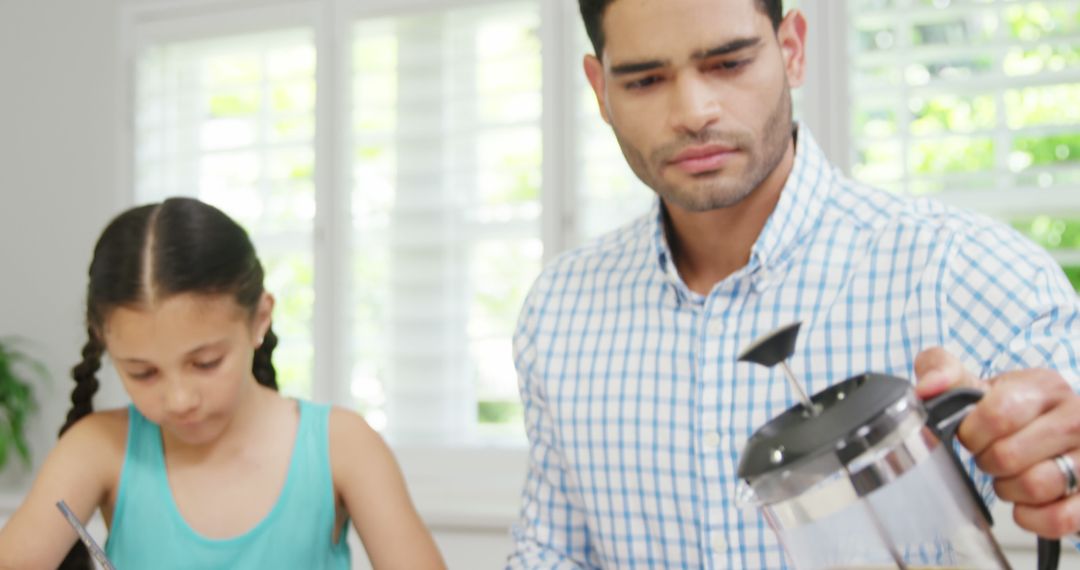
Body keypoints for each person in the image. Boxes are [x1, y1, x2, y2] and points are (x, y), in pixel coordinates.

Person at [507, 0, 1080, 567]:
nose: (693, 111)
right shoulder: (557, 312)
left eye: (728, 64)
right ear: (599, 88)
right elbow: (551, 555)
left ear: (792, 49)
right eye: (646, 80)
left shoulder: (970, 272)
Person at [0, 197, 446, 569]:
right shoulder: (98, 447)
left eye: (206, 363)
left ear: (260, 320)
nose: (178, 399)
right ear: (103, 342)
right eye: (142, 372)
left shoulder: (343, 446)